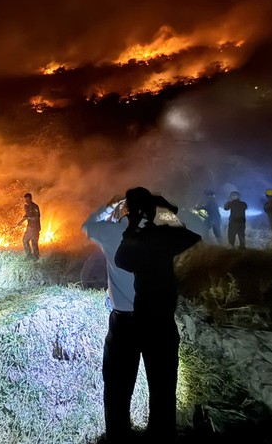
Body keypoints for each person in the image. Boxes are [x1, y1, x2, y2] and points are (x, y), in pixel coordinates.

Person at [114, 187, 201, 441]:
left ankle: (125, 431)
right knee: (164, 387)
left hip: (144, 319)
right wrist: (166, 214)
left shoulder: (141, 237)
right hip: (163, 321)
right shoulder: (164, 235)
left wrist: (133, 226)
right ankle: (162, 433)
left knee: (133, 382)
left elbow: (122, 259)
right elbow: (190, 237)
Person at [80, 193, 138, 441]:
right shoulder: (159, 235)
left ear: (123, 211)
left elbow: (88, 226)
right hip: (157, 318)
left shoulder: (114, 234)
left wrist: (111, 205)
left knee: (117, 383)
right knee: (161, 382)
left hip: (124, 320)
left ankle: (118, 434)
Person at [16, 192, 41, 260]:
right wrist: (20, 222)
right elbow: (26, 216)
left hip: (35, 228)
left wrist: (29, 218)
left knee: (34, 243)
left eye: (27, 200)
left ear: (30, 199)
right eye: (25, 200)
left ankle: (36, 258)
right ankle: (29, 255)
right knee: (25, 240)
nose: (26, 201)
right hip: (29, 227)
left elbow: (37, 218)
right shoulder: (26, 206)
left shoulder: (35, 207)